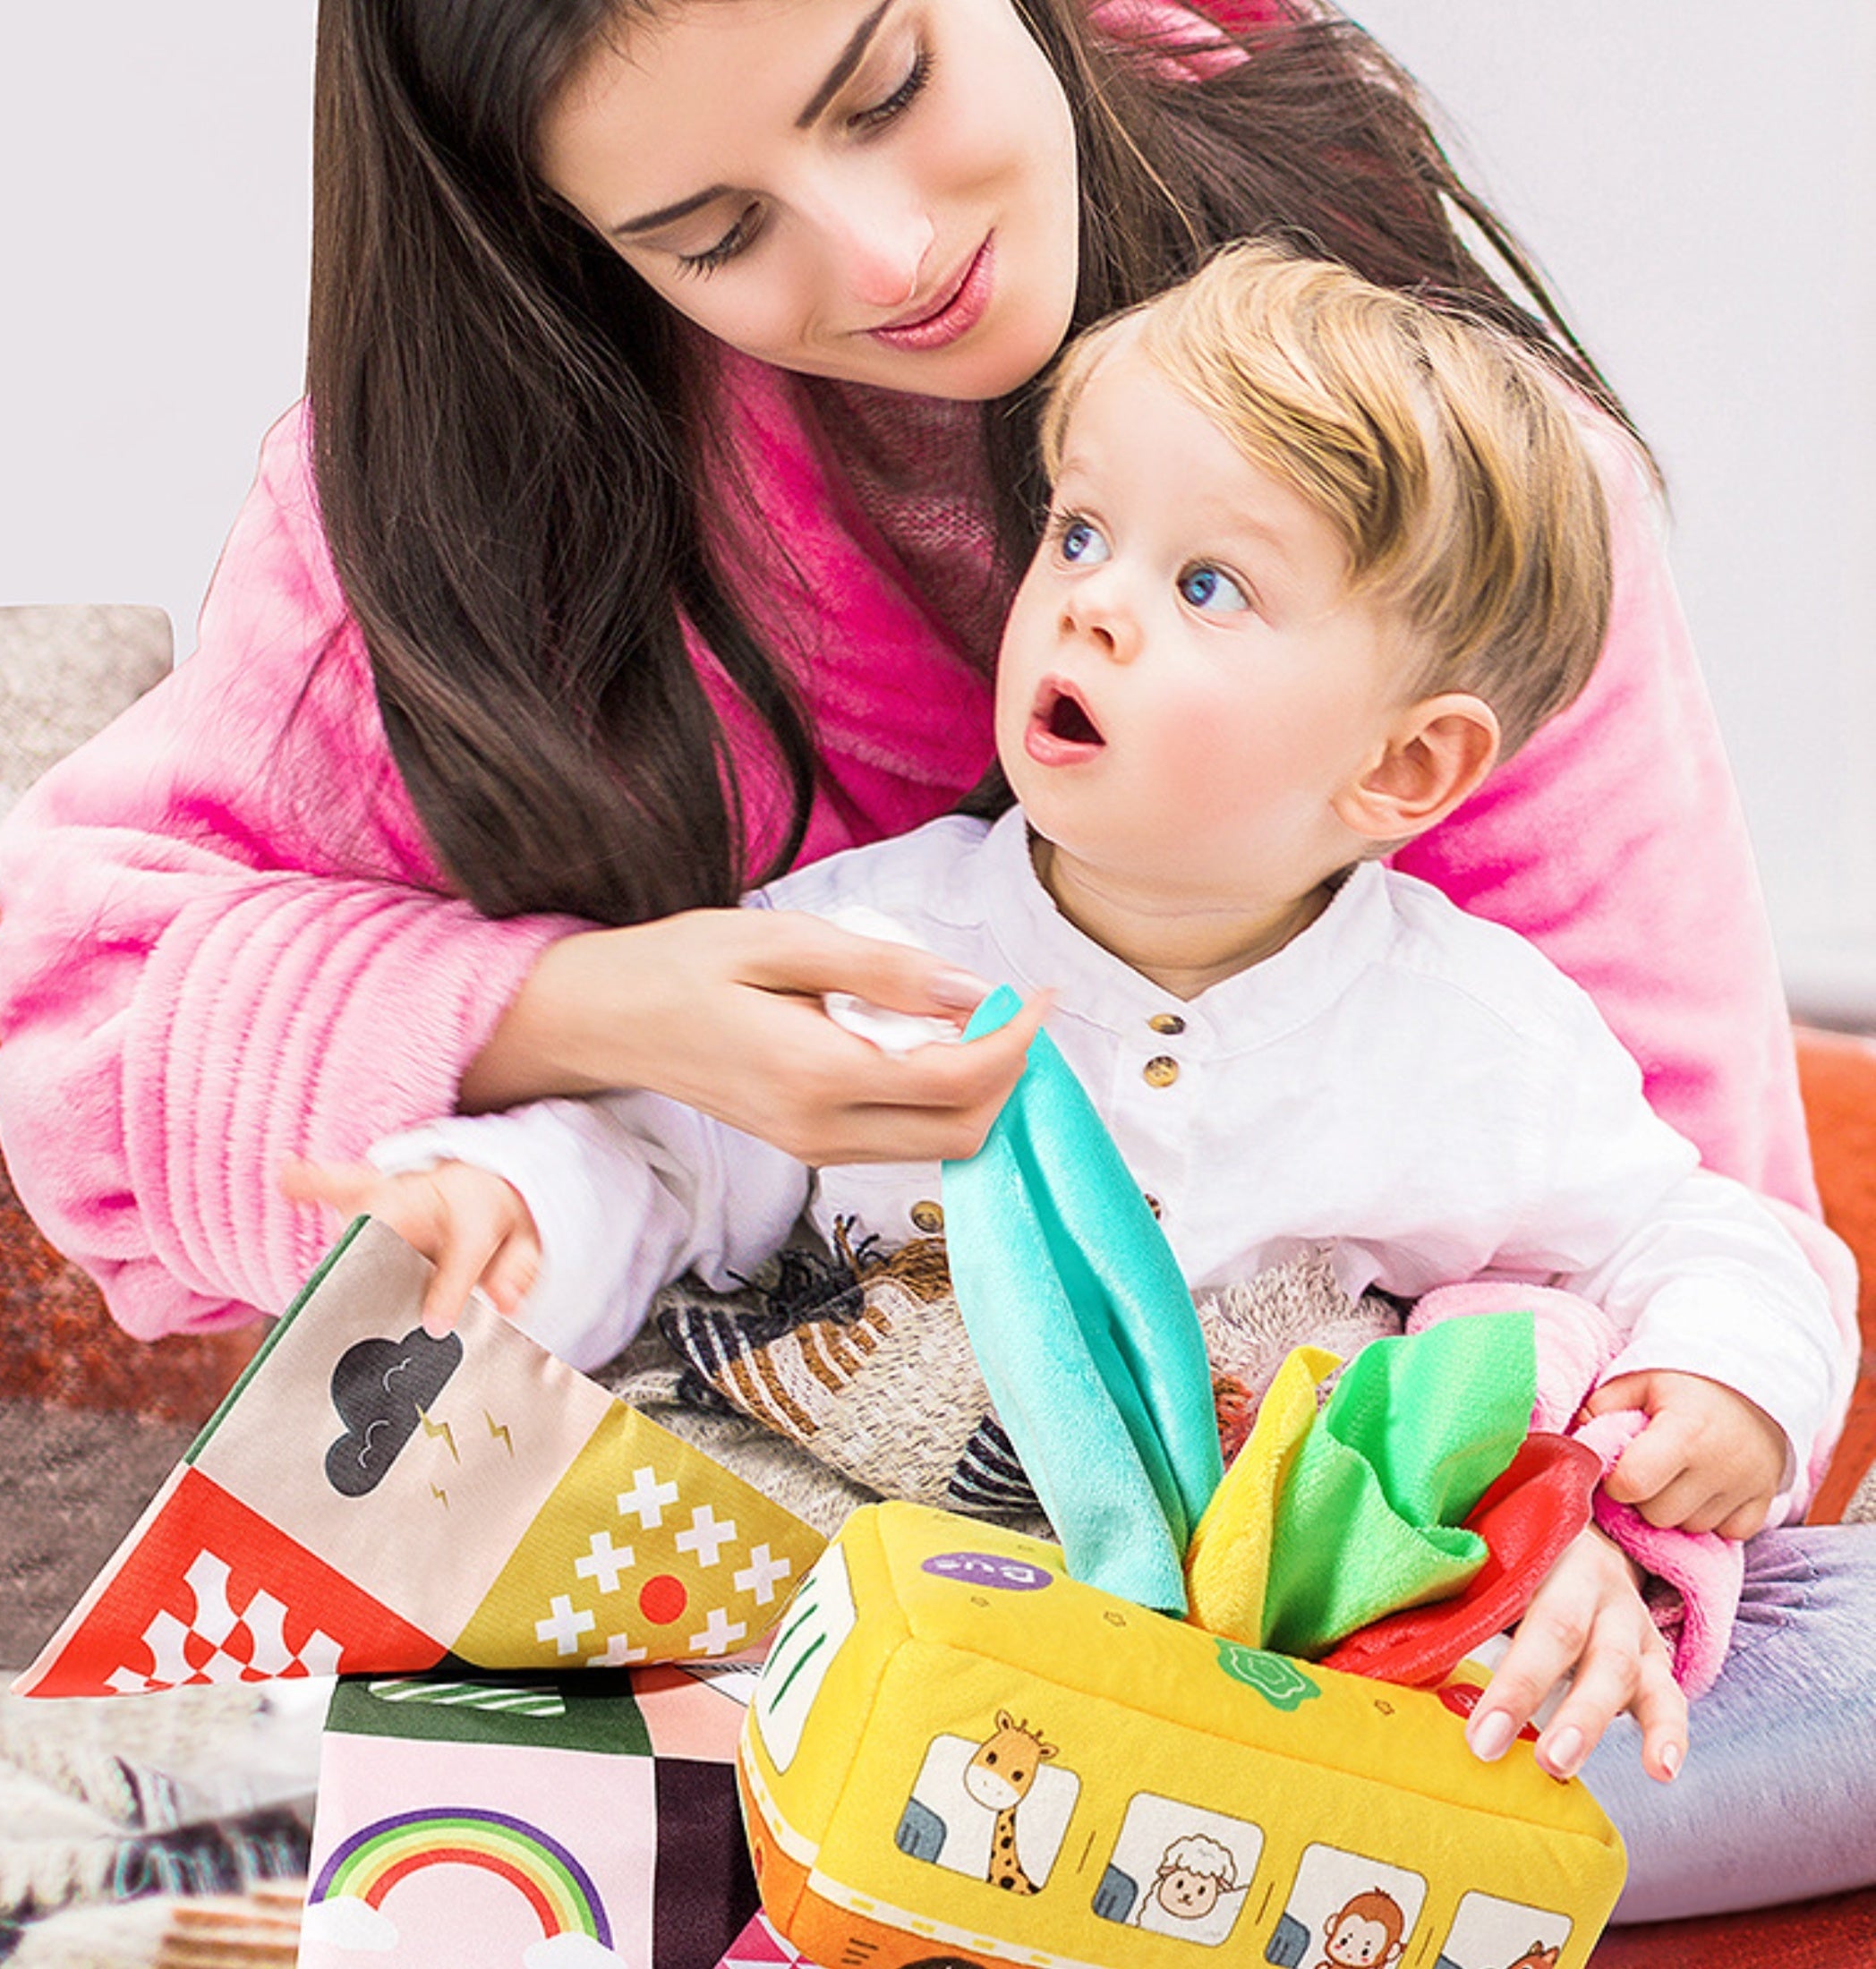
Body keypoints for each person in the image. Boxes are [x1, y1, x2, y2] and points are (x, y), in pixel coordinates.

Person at [0, 0, 1867, 1921]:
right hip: (788, 1622)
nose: (884, 257)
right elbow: (219, 1052)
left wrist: (1578, 1518)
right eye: (712, 232)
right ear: (564, 234)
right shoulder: (853, 887)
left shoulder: (1448, 508)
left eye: (886, 85)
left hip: (1319, 1658)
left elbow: (1691, 1236)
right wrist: (586, 1039)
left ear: (1407, 763)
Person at [281, 231, 1845, 1803]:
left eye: (1208, 584)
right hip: (844, 1584)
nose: (1090, 607)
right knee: (577, 1704)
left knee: (1760, 1712)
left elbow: (1699, 1235)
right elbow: (661, 1161)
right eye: (1083, 533)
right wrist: (508, 1208)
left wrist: (1732, 1385)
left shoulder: (1472, 1037)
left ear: (1403, 770)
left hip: (1244, 1669)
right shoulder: (883, 944)